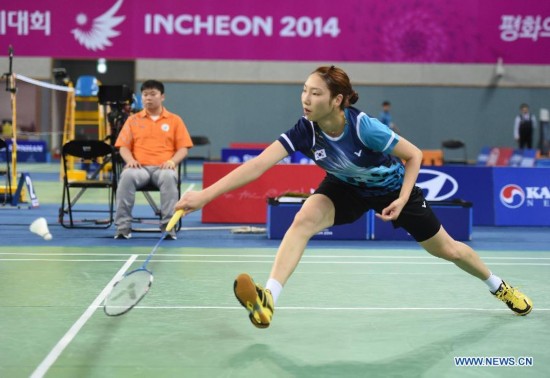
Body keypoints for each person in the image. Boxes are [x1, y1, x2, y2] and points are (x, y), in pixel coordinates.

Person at [175, 66, 532, 328]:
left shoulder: (364, 127)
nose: (306, 98)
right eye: (304, 90)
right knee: (302, 221)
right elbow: (257, 166)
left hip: (392, 190)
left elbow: (414, 156)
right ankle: (269, 299)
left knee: (449, 250)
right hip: (343, 187)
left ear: (338, 100)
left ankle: (498, 287)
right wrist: (204, 195)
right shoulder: (306, 130)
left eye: (316, 93)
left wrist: (403, 199)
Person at [114, 80, 193, 240]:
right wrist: (129, 160)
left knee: (169, 176)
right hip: (139, 169)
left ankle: (168, 228)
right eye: (145, 95)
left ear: (162, 96)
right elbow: (123, 146)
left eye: (152, 94)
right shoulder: (133, 120)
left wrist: (172, 162)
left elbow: (183, 148)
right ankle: (123, 228)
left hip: (163, 168)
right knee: (127, 175)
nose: (148, 98)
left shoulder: (174, 120)